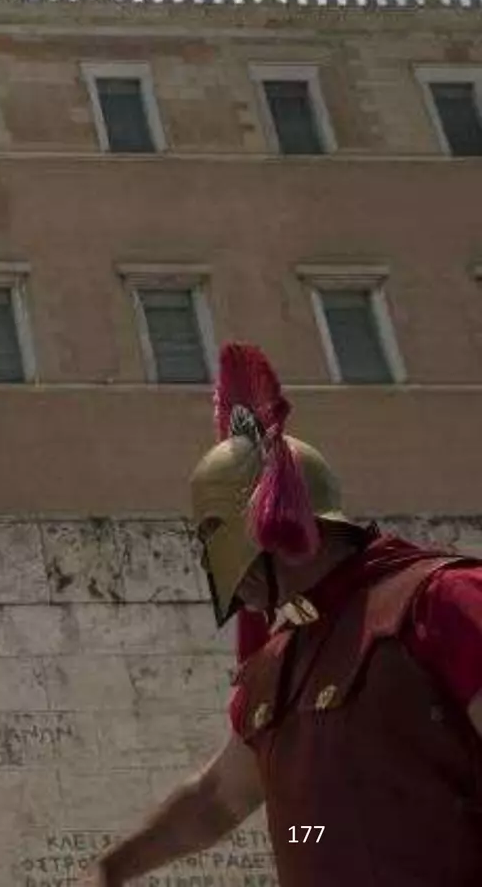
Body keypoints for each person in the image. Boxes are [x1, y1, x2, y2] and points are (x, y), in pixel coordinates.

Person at [90, 342, 482, 886]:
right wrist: (113, 868)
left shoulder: (442, 602)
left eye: (214, 535)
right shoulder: (278, 666)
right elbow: (218, 802)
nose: (212, 562)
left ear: (278, 521)